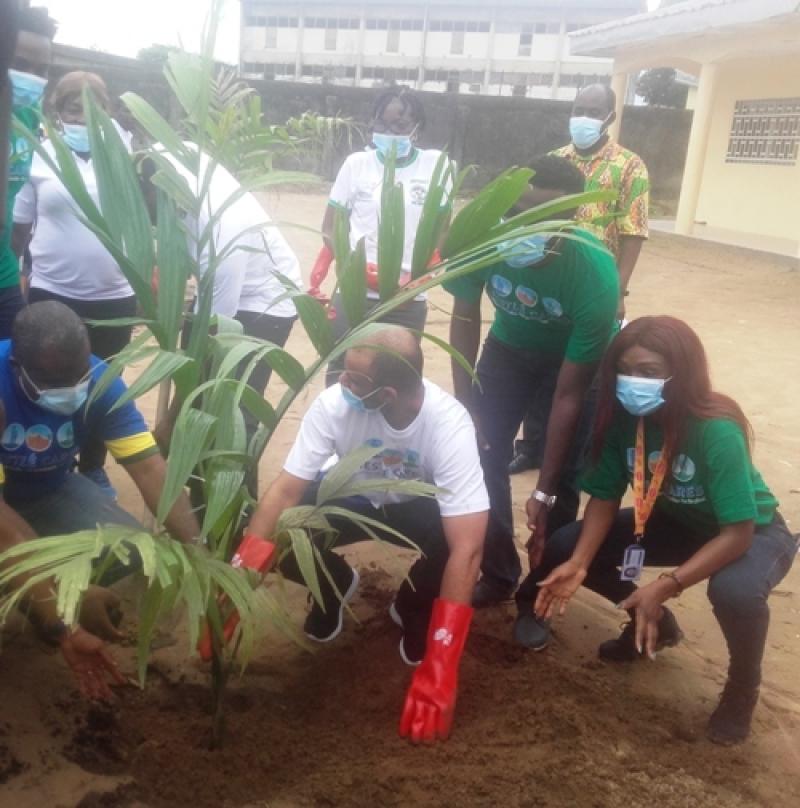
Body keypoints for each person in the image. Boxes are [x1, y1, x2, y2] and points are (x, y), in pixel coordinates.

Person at [514, 316, 797, 745]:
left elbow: (737, 533)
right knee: (568, 545)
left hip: (751, 532)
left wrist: (665, 585)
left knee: (734, 591)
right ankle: (653, 625)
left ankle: (742, 689)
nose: (634, 382)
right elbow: (605, 498)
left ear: (682, 373)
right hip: (677, 522)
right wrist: (580, 563)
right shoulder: (623, 421)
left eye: (649, 371)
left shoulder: (716, 428)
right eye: (625, 370)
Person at [246, 326, 488, 743]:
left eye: (354, 378)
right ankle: (332, 584)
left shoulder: (448, 424)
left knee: (468, 538)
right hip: (349, 496)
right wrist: (242, 571)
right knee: (281, 527)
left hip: (415, 508)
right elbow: (285, 491)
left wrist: (442, 662)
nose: (341, 381)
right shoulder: (334, 404)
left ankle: (413, 606)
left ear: (387, 394)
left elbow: (468, 548)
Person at [0, 301, 201, 697]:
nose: (70, 390)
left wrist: (201, 556)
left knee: (131, 549)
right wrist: (65, 612)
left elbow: (150, 470)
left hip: (49, 490)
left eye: (77, 378)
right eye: (53, 383)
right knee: (17, 562)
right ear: (17, 366)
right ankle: (37, 604)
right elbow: (5, 532)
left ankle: (38, 601)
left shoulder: (100, 381)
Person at [445, 155, 619, 607]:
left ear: (572, 216)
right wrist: (467, 407)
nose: (527, 226)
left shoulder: (595, 272)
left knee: (563, 479)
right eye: (517, 212)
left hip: (575, 363)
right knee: (481, 453)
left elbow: (569, 395)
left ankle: (539, 590)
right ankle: (499, 571)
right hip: (508, 350)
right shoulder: (482, 239)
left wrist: (544, 487)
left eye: (546, 216)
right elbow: (464, 318)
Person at [140, 150, 302, 492]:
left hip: (266, 302)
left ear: (163, 194)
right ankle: (197, 489)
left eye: (148, 205)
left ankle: (233, 506)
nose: (147, 215)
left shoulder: (222, 228)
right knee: (197, 405)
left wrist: (170, 420)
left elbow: (214, 339)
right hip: (218, 292)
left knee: (231, 408)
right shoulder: (165, 161)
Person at [509, 83, 650, 475]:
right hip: (550, 278)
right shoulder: (554, 161)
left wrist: (618, 289)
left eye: (593, 111)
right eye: (578, 109)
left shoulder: (629, 166)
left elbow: (633, 230)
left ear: (610, 117)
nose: (583, 117)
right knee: (542, 365)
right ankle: (531, 447)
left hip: (594, 285)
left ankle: (578, 454)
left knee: (585, 374)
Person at [12, 71, 137, 495]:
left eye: (93, 104)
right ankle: (55, 460)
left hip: (114, 296)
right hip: (53, 294)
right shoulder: (38, 157)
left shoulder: (127, 154)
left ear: (108, 109)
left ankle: (93, 466)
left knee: (102, 385)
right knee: (50, 379)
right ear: (56, 110)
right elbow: (19, 231)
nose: (82, 114)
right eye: (71, 104)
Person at [314, 87, 448, 384]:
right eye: (382, 125)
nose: (389, 133)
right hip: (355, 295)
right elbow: (330, 229)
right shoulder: (357, 165)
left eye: (399, 125)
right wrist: (360, 271)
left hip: (408, 300)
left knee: (398, 379)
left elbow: (442, 232)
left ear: (417, 127)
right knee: (343, 373)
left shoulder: (435, 166)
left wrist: (416, 281)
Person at [0, 5, 57, 338]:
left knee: (15, 360)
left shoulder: (28, 115)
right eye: (20, 65)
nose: (31, 78)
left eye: (42, 70)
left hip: (4, 274)